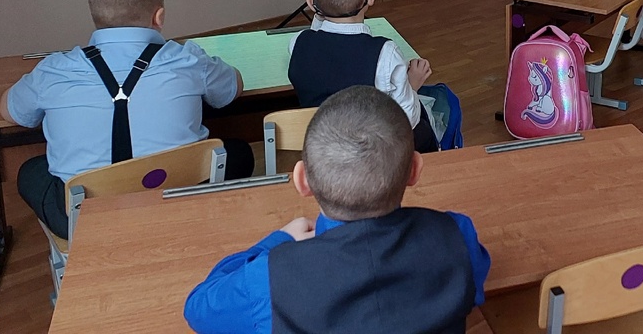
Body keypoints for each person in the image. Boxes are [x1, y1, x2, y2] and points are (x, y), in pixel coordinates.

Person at [184, 86, 491, 334]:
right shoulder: (458, 235)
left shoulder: (270, 279)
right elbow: (472, 289)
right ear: (415, 170)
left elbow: (198, 308)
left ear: (301, 180)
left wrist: (278, 240)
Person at [1, 0, 253, 239]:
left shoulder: (53, 71)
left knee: (31, 170)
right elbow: (233, 87)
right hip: (176, 203)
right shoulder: (189, 60)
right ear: (159, 17)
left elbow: (10, 112)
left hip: (85, 220)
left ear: (95, 14)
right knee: (238, 152)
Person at [287, 0, 440, 153]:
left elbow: (320, 40)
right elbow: (406, 120)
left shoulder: (298, 43)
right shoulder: (385, 53)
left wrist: (320, 11)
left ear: (311, 3)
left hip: (322, 149)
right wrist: (412, 85)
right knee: (425, 130)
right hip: (371, 154)